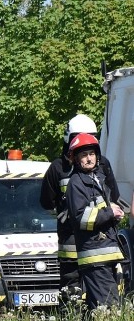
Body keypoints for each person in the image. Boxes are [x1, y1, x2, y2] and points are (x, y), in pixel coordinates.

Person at [40, 114, 123, 302]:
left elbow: (113, 197)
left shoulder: (101, 165)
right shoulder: (57, 168)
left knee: (101, 296)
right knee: (72, 294)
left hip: (98, 242)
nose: (86, 153)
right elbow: (46, 201)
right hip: (73, 243)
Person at [65, 133, 124, 310]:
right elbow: (81, 218)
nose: (89, 158)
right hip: (95, 256)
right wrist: (109, 212)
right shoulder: (76, 183)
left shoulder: (97, 179)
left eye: (91, 154)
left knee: (102, 308)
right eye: (84, 155)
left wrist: (113, 209)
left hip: (107, 253)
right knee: (110, 308)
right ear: (76, 160)